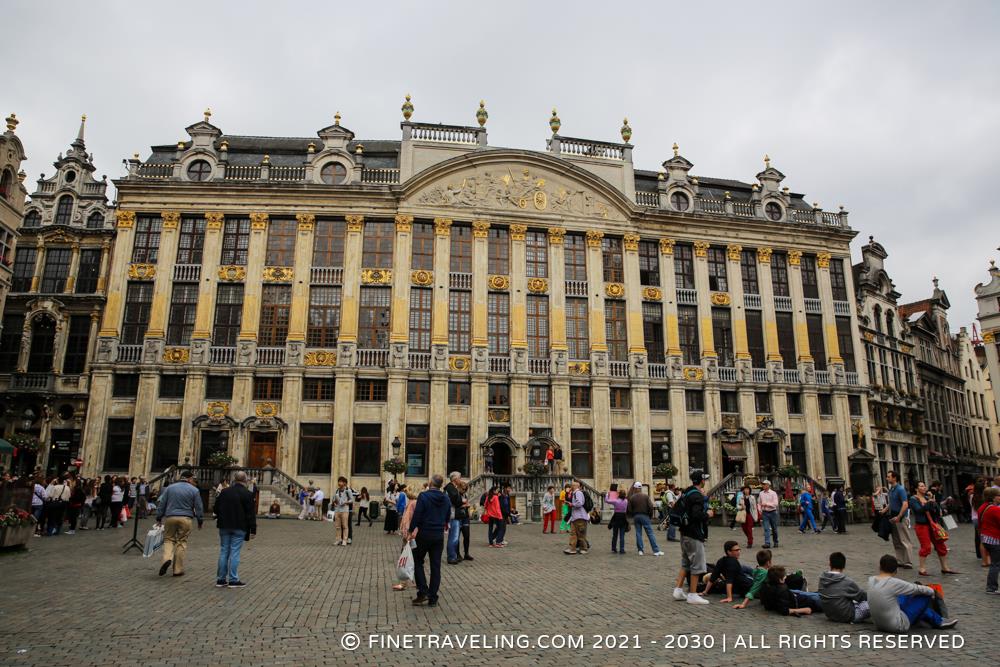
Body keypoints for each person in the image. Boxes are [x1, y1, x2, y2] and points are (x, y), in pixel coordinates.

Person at [868, 554, 957, 631]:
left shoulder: (871, 580)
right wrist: (933, 592)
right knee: (924, 594)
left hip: (879, 625)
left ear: (880, 567)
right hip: (898, 626)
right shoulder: (894, 583)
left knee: (902, 595)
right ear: (896, 571)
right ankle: (939, 621)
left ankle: (929, 617)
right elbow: (916, 589)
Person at [408, 474, 452, 607]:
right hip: (438, 535)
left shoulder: (424, 496)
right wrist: (442, 523)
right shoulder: (445, 497)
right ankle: (433, 596)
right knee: (435, 566)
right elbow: (448, 514)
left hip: (425, 533)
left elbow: (418, 514)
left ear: (431, 483)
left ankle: (423, 591)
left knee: (417, 560)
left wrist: (411, 530)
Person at [672, 471, 713, 604]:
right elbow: (696, 515)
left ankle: (678, 590)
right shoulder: (697, 496)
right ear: (701, 481)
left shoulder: (687, 492)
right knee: (697, 564)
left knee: (686, 563)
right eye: (704, 479)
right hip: (694, 533)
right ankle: (693, 594)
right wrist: (708, 514)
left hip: (684, 532)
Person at [155, 471, 205, 578]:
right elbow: (199, 507)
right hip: (186, 518)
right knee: (181, 542)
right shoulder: (194, 490)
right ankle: (177, 569)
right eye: (193, 479)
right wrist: (200, 520)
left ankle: (167, 558)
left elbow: (162, 503)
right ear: (190, 479)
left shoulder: (170, 488)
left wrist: (159, 517)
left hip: (171, 517)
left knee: (168, 539)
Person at [214, 470, 257, 588]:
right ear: (245, 480)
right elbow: (250, 514)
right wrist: (253, 529)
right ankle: (233, 579)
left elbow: (216, 508)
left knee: (224, 551)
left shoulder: (224, 492)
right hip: (239, 526)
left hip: (224, 526)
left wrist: (222, 516)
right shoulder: (248, 494)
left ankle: (221, 579)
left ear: (234, 479)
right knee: (234, 552)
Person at [909, 481, 957, 576]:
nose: (924, 487)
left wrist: (932, 501)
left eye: (924, 486)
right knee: (926, 547)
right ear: (916, 489)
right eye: (921, 486)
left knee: (941, 545)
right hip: (922, 525)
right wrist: (928, 503)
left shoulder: (927, 497)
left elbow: (935, 511)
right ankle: (922, 569)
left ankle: (945, 567)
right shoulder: (913, 499)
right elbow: (919, 511)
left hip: (932, 525)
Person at [819, 551, 869, 623]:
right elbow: (862, 596)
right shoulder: (847, 582)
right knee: (873, 602)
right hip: (848, 616)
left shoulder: (822, 578)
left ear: (830, 563)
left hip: (830, 614)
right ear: (843, 566)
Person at [884, 470, 915, 568]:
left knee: (904, 539)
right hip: (892, 516)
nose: (887, 478)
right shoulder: (891, 489)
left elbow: (905, 504)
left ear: (894, 478)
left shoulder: (900, 489)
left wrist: (899, 516)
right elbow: (891, 502)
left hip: (900, 517)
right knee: (896, 540)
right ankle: (900, 560)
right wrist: (885, 510)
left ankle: (908, 561)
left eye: (889, 476)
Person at [393, 486, 421, 591]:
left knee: (406, 559)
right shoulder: (411, 502)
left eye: (407, 491)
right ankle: (416, 581)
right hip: (408, 534)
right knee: (411, 558)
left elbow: (411, 520)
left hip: (410, 535)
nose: (405, 492)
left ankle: (403, 583)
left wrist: (409, 534)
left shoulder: (413, 503)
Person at [627, 481, 663, 556]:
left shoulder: (632, 497)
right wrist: (649, 515)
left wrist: (633, 514)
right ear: (641, 488)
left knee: (638, 533)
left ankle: (640, 550)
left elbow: (629, 509)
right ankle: (656, 550)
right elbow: (650, 507)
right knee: (650, 533)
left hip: (636, 516)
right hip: (644, 515)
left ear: (635, 488)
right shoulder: (645, 496)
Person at [977, 487, 1000, 594]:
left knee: (995, 563)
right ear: (994, 497)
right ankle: (991, 587)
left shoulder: (983, 506)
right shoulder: (994, 509)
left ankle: (992, 586)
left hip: (986, 538)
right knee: (995, 564)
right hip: (994, 539)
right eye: (999, 496)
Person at [444, 472, 468, 564]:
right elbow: (456, 501)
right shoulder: (451, 487)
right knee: (454, 537)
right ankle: (451, 557)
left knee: (454, 537)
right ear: (455, 479)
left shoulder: (452, 488)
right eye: (459, 478)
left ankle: (453, 555)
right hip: (453, 515)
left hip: (454, 515)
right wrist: (462, 501)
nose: (460, 480)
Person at [563, 480, 590, 555]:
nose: (571, 486)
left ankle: (584, 548)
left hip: (580, 517)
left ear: (576, 486)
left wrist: (571, 504)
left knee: (581, 534)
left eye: (573, 485)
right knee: (573, 533)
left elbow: (580, 503)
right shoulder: (574, 493)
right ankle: (572, 548)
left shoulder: (578, 493)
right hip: (575, 517)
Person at [971, 477, 989, 568]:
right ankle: (987, 558)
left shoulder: (972, 496)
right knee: (987, 538)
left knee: (981, 539)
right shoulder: (984, 496)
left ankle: (983, 558)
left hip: (975, 518)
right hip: (983, 517)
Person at [606, 484, 628, 554]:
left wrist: (608, 494)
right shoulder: (626, 501)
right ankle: (622, 549)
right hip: (623, 517)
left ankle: (614, 548)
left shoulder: (616, 501)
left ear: (619, 494)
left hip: (616, 517)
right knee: (622, 535)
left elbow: (607, 500)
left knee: (615, 535)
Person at [758, 479, 779, 548]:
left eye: (764, 484)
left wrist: (766, 504)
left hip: (772, 512)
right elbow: (759, 502)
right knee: (766, 528)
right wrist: (760, 509)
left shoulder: (773, 493)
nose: (763, 485)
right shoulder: (761, 493)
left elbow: (775, 504)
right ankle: (767, 543)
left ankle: (775, 541)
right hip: (765, 513)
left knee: (774, 528)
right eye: (763, 484)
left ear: (768, 485)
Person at [331, 477, 353, 545]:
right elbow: (333, 499)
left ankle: (345, 540)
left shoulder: (348, 490)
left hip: (345, 510)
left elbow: (351, 500)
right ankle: (338, 539)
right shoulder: (337, 490)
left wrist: (346, 502)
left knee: (345, 526)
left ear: (344, 483)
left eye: (341, 482)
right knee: (337, 526)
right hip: (337, 510)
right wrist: (334, 502)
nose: (339, 483)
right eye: (339, 481)